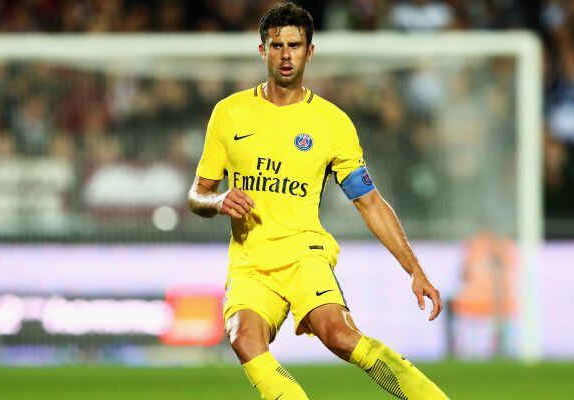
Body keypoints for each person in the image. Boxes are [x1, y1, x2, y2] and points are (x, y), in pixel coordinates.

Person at [187, 3, 449, 399]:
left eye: (295, 45)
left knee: (340, 335)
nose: (286, 54)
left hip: (304, 254)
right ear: (262, 51)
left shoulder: (332, 122)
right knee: (243, 338)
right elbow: (197, 195)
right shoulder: (229, 113)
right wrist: (218, 200)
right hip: (250, 263)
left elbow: (369, 201)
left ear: (310, 51)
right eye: (276, 45)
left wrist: (414, 269)